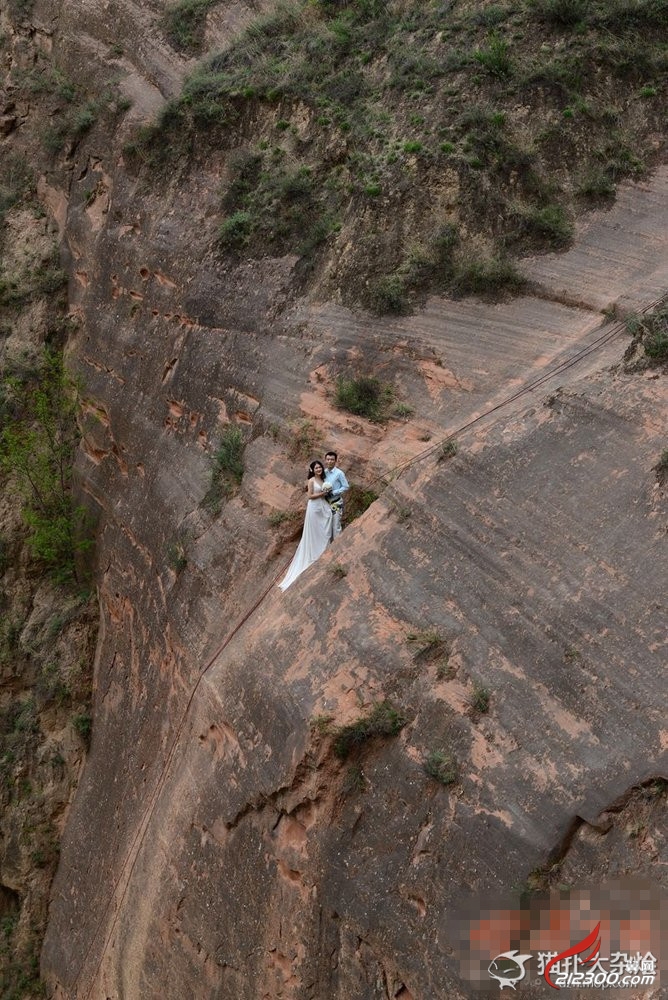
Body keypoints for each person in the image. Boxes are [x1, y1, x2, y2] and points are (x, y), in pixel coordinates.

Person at [278, 460, 333, 591]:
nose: (318, 469)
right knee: (314, 531)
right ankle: (315, 552)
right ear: (312, 470)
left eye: (320, 467)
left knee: (326, 524)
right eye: (316, 468)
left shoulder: (324, 479)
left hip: (323, 505)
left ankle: (325, 545)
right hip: (314, 507)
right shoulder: (312, 481)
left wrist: (327, 492)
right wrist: (323, 494)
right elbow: (310, 496)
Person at [323, 451, 349, 539]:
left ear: (335, 461)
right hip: (325, 502)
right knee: (327, 525)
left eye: (332, 459)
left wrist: (334, 492)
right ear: (325, 460)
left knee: (336, 525)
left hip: (336, 502)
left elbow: (346, 486)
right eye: (328, 459)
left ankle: (336, 548)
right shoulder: (324, 472)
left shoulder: (339, 473)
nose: (330, 461)